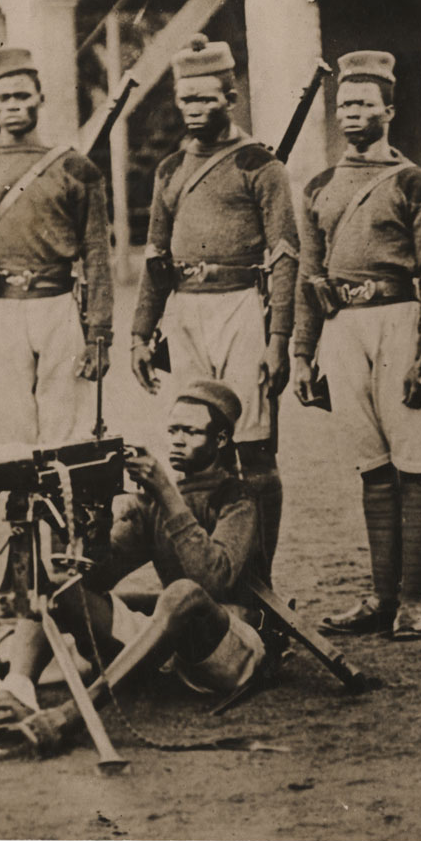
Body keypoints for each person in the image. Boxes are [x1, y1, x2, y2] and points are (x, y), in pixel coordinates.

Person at [0, 380, 269, 745]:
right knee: (56, 585)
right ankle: (15, 693)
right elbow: (96, 577)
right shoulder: (151, 502)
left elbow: (215, 583)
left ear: (220, 440)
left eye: (191, 432)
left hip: (231, 648)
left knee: (183, 593)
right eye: (173, 430)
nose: (177, 440)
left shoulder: (239, 498)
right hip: (169, 646)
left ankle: (70, 716)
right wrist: (91, 521)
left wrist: (167, 494)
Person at [291, 51, 421, 641]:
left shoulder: (415, 183)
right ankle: (383, 596)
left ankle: (414, 600)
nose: (351, 114)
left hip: (398, 322)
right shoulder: (319, 186)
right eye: (344, 105)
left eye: (364, 103)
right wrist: (301, 353)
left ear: (389, 110)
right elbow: (309, 274)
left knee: (413, 461)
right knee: (372, 466)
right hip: (341, 326)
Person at [129, 35, 298, 581]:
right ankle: (206, 573)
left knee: (252, 446)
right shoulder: (170, 170)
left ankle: (259, 583)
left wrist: (279, 339)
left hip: (242, 309)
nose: (195, 109)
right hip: (185, 313)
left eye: (206, 98)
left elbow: (285, 254)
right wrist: (140, 333)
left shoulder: (260, 165)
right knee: (198, 450)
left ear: (230, 97)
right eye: (186, 99)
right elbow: (156, 256)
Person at [0, 46, 113, 447]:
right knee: (2, 434)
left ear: (40, 99)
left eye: (22, 95)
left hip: (58, 308)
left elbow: (99, 257)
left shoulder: (76, 168)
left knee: (68, 432)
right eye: (3, 97)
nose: (13, 105)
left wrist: (100, 336)